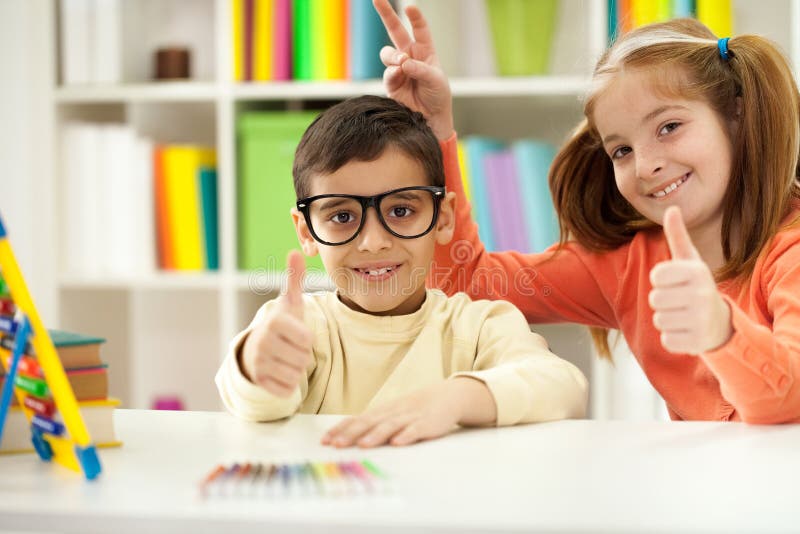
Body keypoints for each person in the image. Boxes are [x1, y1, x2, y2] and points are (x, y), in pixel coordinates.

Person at [373, 0, 800, 423]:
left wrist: (722, 331)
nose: (645, 165)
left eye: (669, 127)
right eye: (622, 150)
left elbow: (789, 396)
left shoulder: (791, 252)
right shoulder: (628, 267)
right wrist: (432, 132)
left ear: (736, 115)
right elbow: (467, 283)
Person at [215, 95, 587, 447]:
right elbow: (257, 401)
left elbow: (564, 387)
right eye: (342, 216)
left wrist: (457, 398)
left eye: (400, 211)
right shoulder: (300, 327)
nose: (373, 242)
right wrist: (256, 365)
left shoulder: (478, 326)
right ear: (306, 232)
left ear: (443, 218)